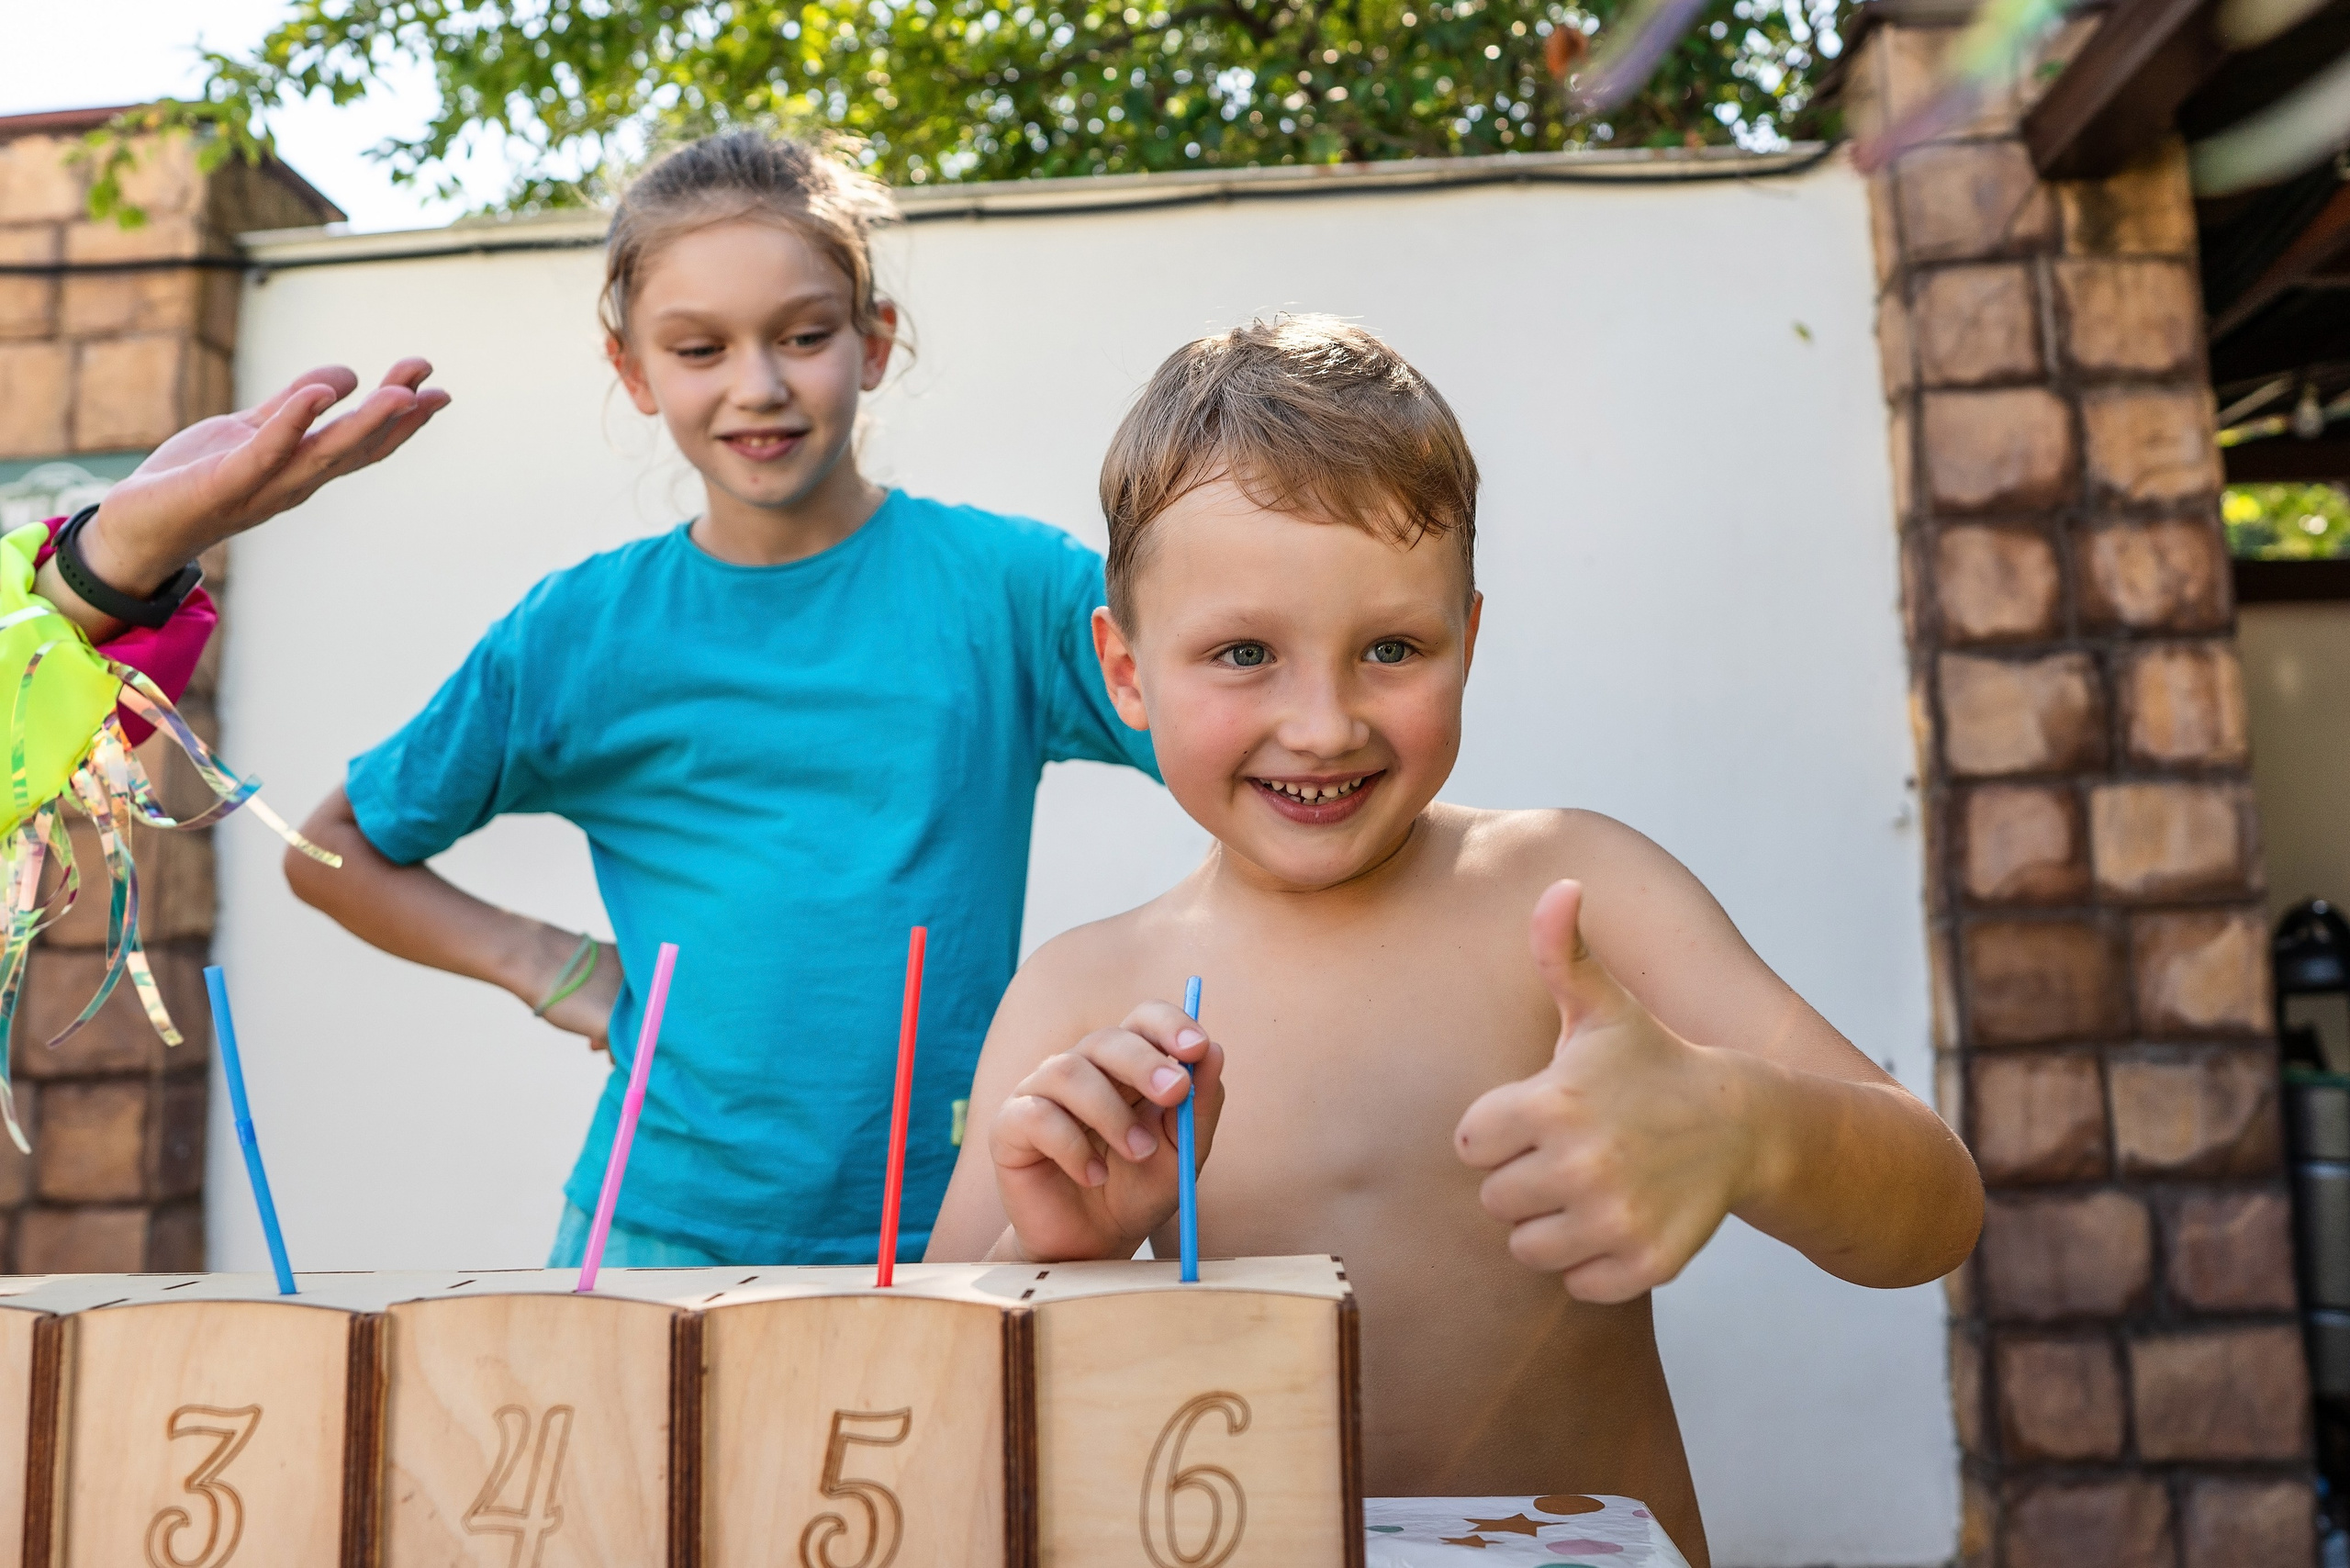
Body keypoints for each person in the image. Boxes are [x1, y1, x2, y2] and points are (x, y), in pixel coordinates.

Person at [924, 317, 1984, 1564]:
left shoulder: (1573, 895)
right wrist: (1066, 1250)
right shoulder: (1080, 993)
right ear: (1128, 670)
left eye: (1392, 648)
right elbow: (940, 1415)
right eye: (1244, 653)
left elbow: (1937, 1212)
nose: (1322, 724)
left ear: (1468, 641)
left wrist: (1748, 1124)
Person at [285, 132, 1158, 1268]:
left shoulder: (1012, 592)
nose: (760, 384)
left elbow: (1223, 740)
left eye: (803, 335)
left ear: (874, 341)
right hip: (660, 1239)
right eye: (700, 347)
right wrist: (557, 967)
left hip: (971, 1226)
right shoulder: (580, 634)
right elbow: (328, 848)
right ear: (634, 370)